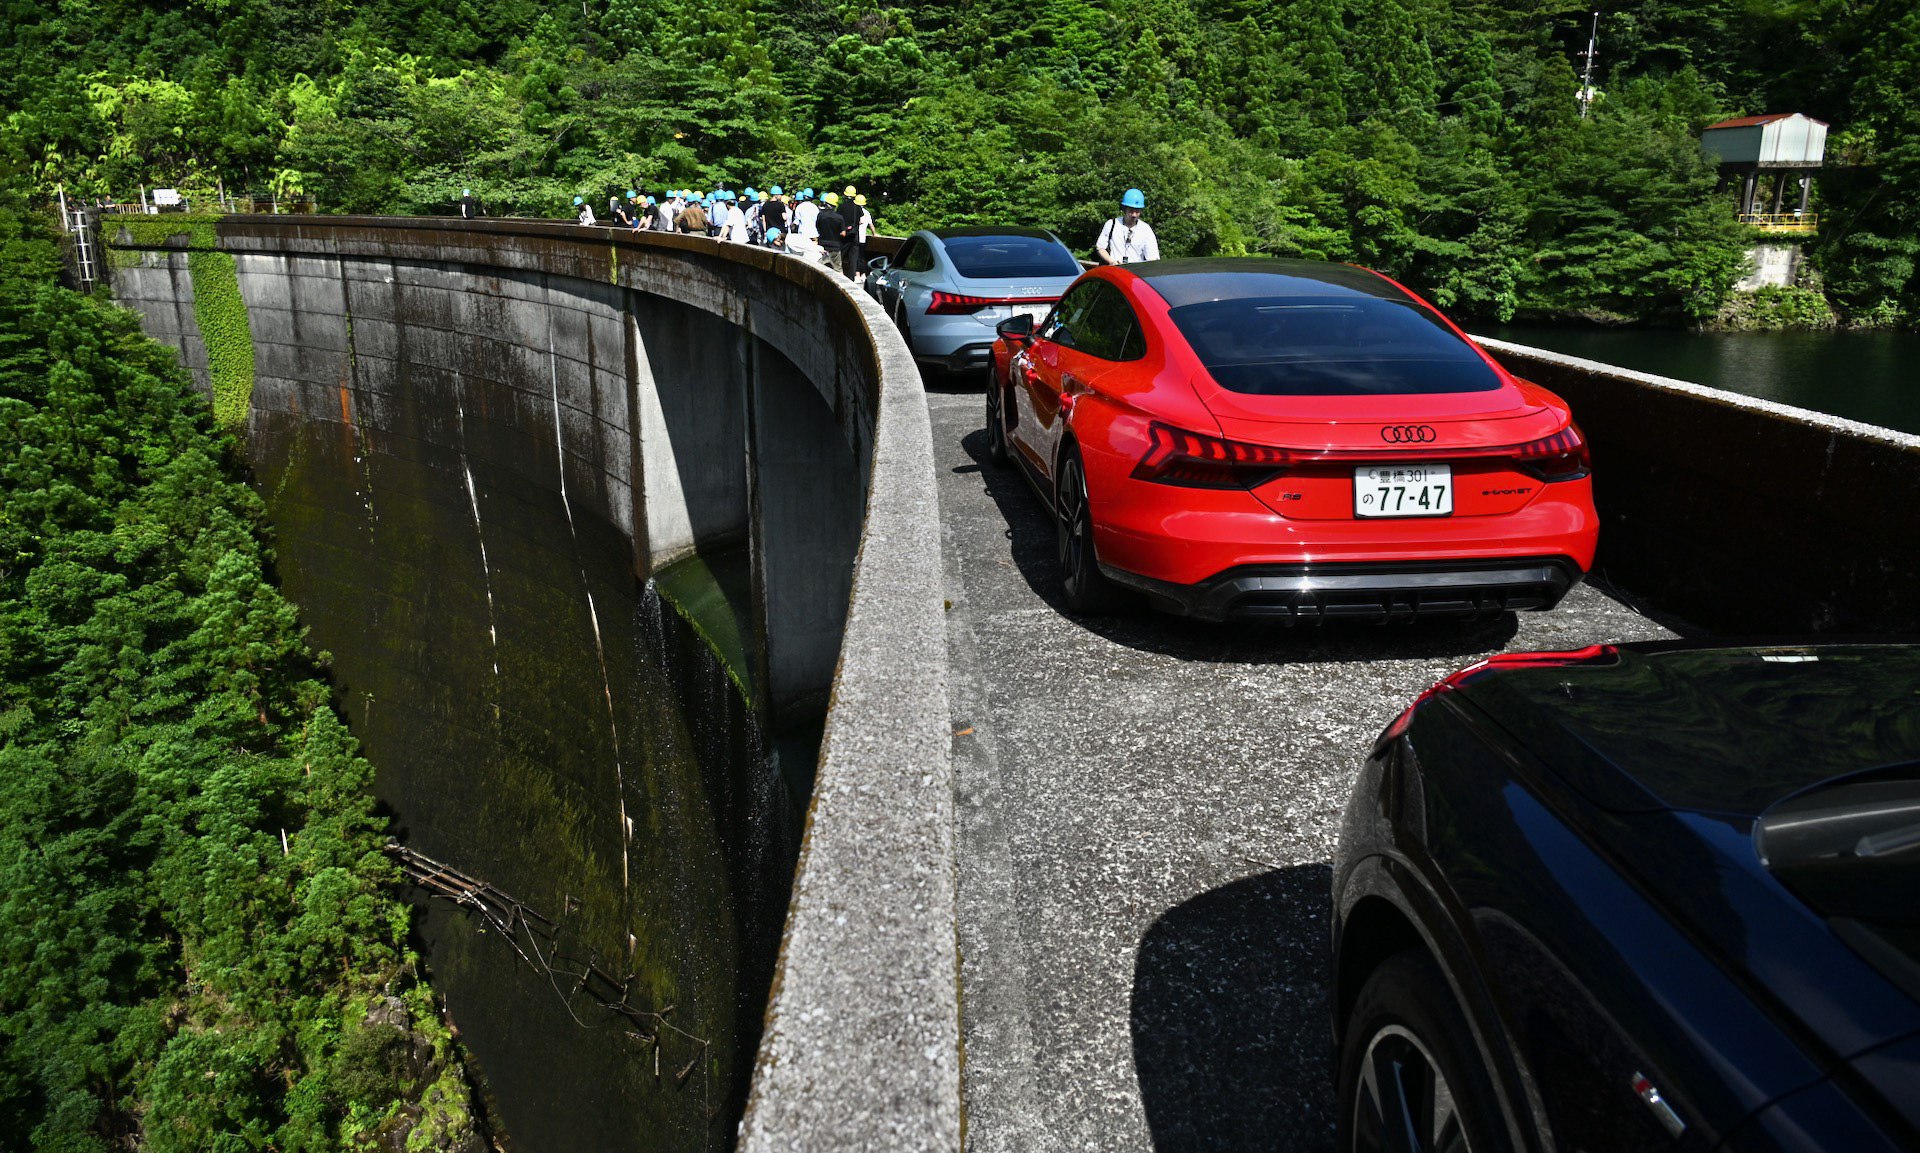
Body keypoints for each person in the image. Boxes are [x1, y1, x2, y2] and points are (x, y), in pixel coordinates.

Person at [1094, 188, 1158, 265]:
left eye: (1137, 211)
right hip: (1114, 270)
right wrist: (1111, 261)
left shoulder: (1146, 229)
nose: (1134, 214)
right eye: (1131, 210)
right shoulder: (1112, 224)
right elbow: (1100, 247)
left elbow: (1153, 258)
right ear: (1125, 209)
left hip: (1135, 273)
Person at [844, 193, 873, 280]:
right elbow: (871, 225)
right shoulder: (867, 213)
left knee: (854, 258)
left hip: (854, 237)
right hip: (863, 239)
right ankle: (863, 275)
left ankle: (856, 275)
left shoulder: (855, 211)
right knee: (861, 257)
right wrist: (874, 234)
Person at [816, 193, 847, 269]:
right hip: (835, 246)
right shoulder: (839, 217)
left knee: (820, 269)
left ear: (826, 203)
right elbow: (843, 233)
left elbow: (817, 228)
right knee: (838, 270)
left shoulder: (820, 215)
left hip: (822, 246)